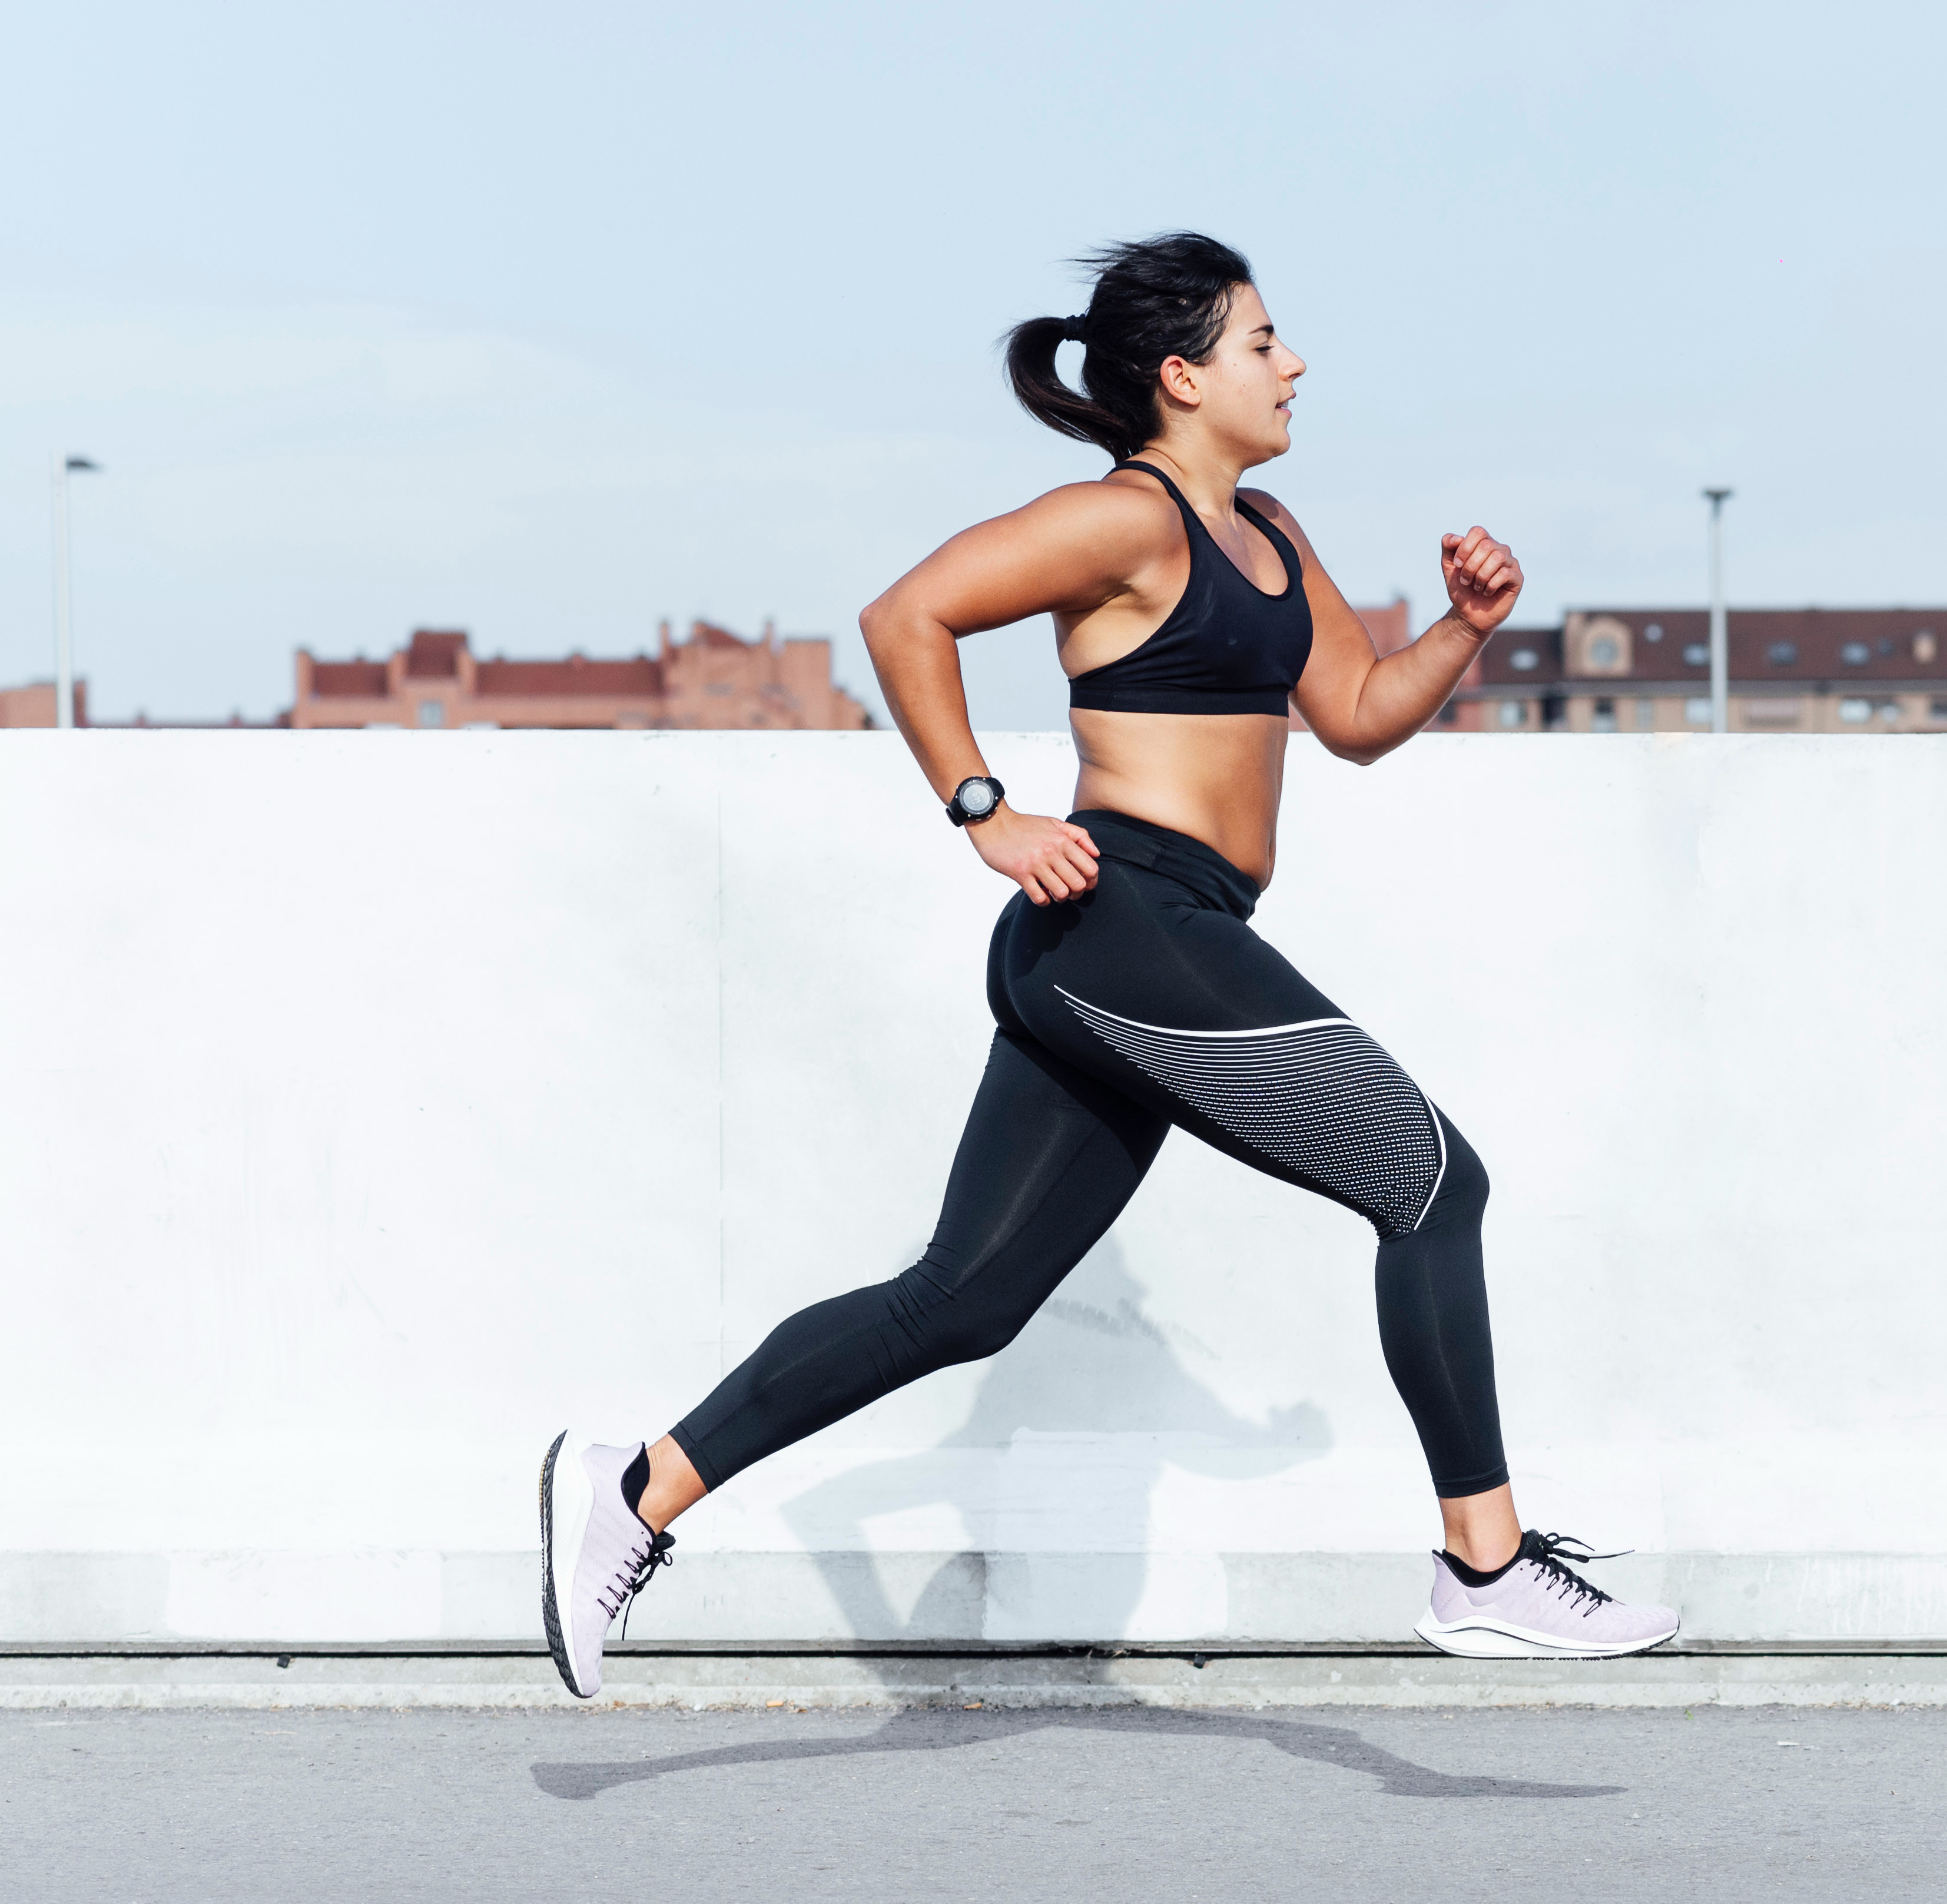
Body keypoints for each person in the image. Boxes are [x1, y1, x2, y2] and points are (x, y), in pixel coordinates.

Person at [539, 232, 1673, 1699]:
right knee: (1431, 1182)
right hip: (1120, 917)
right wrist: (983, 811)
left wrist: (1460, 629)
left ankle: (632, 1493)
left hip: (1154, 940)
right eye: (1265, 341)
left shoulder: (1271, 533)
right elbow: (905, 616)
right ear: (1184, 376)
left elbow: (1356, 712)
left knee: (959, 1302)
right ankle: (1483, 1562)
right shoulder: (1124, 522)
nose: (1295, 363)